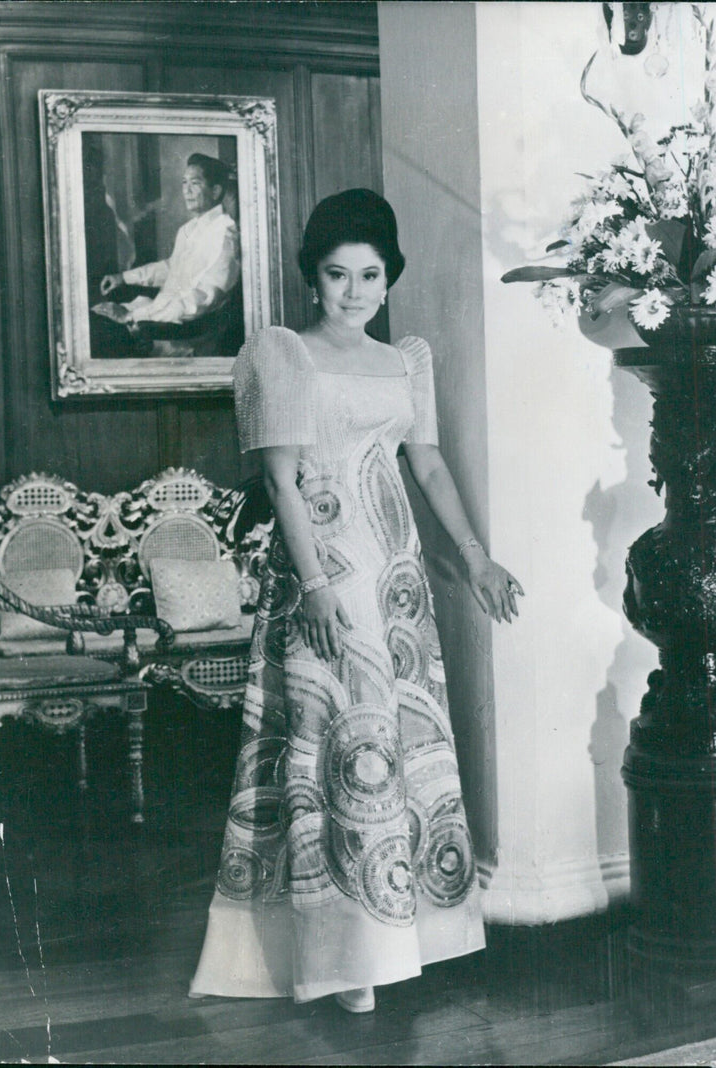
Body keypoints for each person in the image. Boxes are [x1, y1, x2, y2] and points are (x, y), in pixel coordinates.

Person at [189, 188, 524, 1014]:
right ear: (313, 278)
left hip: (397, 578)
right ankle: (342, 959)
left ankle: (397, 938)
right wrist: (313, 587)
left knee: (395, 744)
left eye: (370, 275)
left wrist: (476, 559)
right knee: (335, 742)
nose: (354, 291)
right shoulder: (283, 355)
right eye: (337, 275)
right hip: (323, 576)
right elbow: (280, 480)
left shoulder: (406, 358)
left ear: (389, 278)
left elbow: (430, 467)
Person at [92, 153, 241, 353]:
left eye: (194, 184)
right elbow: (171, 268)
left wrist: (133, 316)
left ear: (215, 191)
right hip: (158, 315)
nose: (186, 191)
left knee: (101, 335)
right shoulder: (189, 229)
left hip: (179, 333)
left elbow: (204, 298)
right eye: (184, 182)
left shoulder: (225, 235)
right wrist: (124, 278)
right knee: (94, 317)